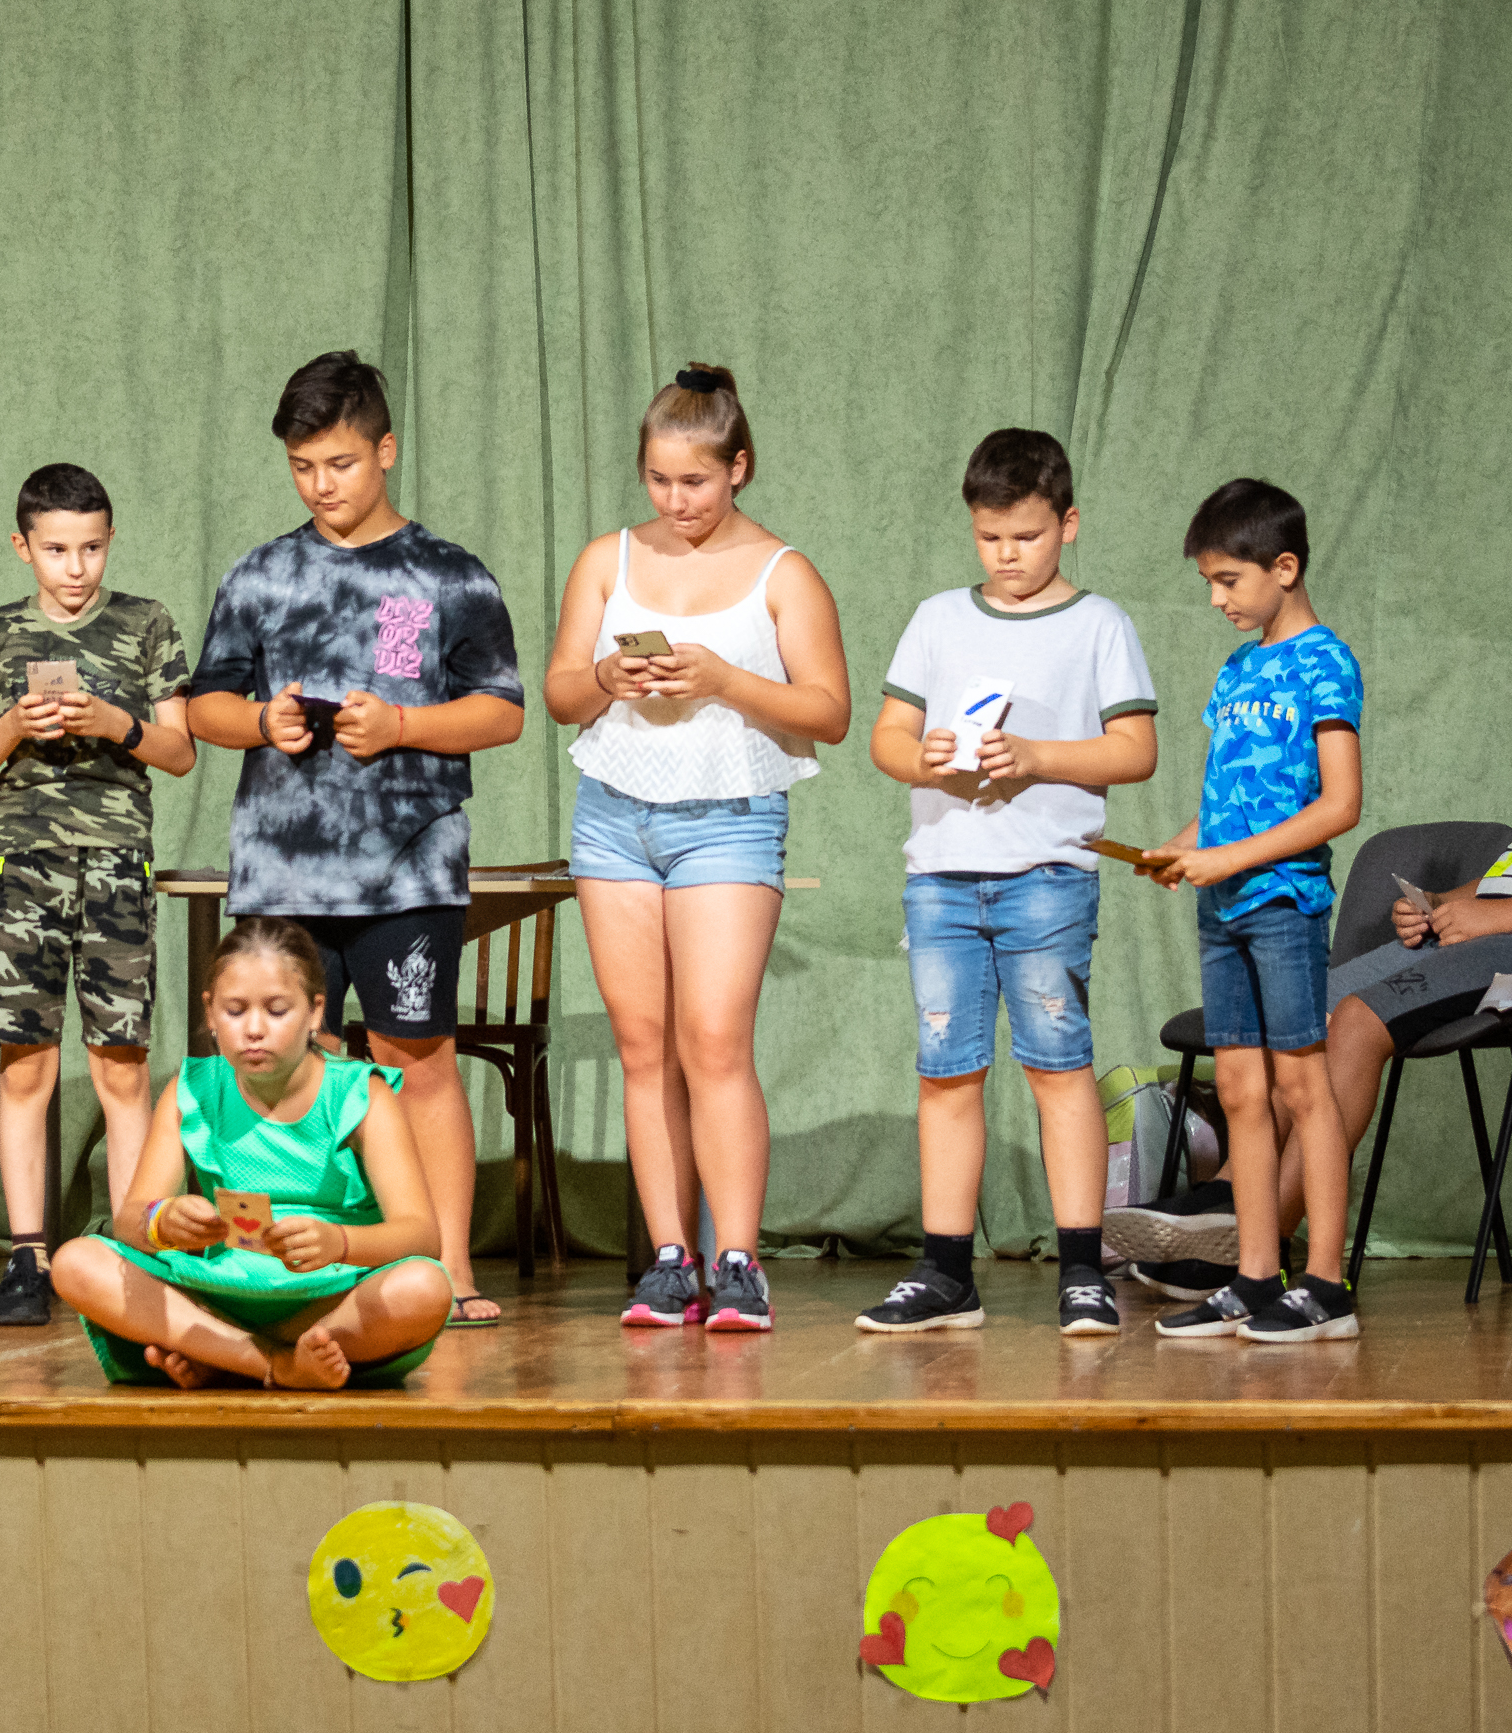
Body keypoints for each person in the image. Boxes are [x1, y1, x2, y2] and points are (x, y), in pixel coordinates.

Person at [1115, 565, 1512, 1293]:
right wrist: (1448, 903)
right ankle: (1228, 1203)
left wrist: (1499, 916)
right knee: (1304, 1013)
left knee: (1359, 1019)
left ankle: (1254, 1247)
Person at [187, 351, 525, 1326]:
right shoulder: (260, 572)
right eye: (302, 467)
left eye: (338, 462)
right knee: (293, 1067)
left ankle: (449, 1268)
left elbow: (502, 711)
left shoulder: (449, 574)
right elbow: (204, 703)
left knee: (418, 1060)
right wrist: (264, 721)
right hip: (282, 868)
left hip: (408, 867)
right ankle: (288, 1267)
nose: (320, 485)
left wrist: (405, 725)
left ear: (386, 450)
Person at [542, 365, 851, 1332]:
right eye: (659, 480)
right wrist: (608, 676)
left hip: (730, 815)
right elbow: (560, 695)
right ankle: (671, 1258)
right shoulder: (607, 561)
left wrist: (723, 679)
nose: (676, 501)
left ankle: (738, 1259)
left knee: (713, 1039)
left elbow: (829, 710)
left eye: (696, 481)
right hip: (614, 815)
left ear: (738, 468)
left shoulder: (782, 572)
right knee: (644, 1046)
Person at [855, 428, 1159, 1338]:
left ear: (1069, 523)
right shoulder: (937, 617)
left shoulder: (1100, 625)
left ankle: (1082, 1270)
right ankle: (947, 1272)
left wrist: (1034, 758)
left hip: (1047, 878)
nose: (1007, 555)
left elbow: (1135, 749)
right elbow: (887, 738)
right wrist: (924, 759)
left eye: (1026, 536)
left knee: (1057, 1067)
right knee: (947, 1073)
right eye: (989, 538)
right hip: (942, 878)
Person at [0, 464, 195, 1326]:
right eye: (56, 550)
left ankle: (131, 1253)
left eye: (90, 548)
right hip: (22, 866)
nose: (76, 567)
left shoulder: (147, 622)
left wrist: (116, 724)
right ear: (24, 548)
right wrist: (16, 724)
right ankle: (27, 1255)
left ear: (110, 539)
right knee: (27, 1065)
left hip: (119, 865)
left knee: (122, 1064)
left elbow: (180, 751)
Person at [1133, 481, 1366, 1341]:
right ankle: (1256, 1275)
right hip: (1222, 906)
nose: (1216, 599)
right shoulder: (1236, 670)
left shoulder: (1326, 662)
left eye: (1229, 580)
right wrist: (1183, 846)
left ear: (1285, 567)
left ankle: (1327, 1285)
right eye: (1209, 582)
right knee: (1239, 1090)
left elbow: (1340, 804)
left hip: (1283, 904)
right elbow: (1229, 802)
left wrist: (1230, 858)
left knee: (1303, 1086)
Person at [50, 916, 453, 1387]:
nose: (254, 1029)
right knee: (76, 1263)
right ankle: (273, 1364)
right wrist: (164, 1221)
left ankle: (220, 1353)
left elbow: (422, 1236)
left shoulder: (361, 1095)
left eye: (277, 1011)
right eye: (235, 1011)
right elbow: (129, 1220)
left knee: (424, 1289)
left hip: (329, 1296)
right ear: (210, 1013)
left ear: (315, 1012)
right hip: (218, 1291)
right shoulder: (193, 1090)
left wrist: (340, 1243)